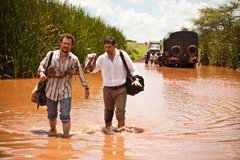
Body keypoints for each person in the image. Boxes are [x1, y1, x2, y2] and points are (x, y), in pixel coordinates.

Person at [38, 33, 90, 135]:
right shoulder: (51, 55)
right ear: (60, 43)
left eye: (68, 44)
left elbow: (80, 74)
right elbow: (42, 66)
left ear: (71, 46)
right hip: (50, 90)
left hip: (66, 91)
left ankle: (66, 138)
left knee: (65, 115)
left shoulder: (74, 59)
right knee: (52, 114)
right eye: (64, 43)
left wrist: (86, 88)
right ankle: (53, 131)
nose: (66, 46)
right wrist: (41, 74)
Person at [91, 37, 142, 128]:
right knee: (108, 114)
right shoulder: (101, 58)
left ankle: (120, 136)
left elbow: (132, 68)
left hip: (121, 89)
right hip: (107, 90)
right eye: (106, 47)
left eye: (109, 47)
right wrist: (89, 63)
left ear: (115, 46)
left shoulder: (122, 55)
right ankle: (108, 135)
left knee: (120, 114)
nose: (107, 49)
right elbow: (93, 70)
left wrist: (136, 80)